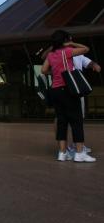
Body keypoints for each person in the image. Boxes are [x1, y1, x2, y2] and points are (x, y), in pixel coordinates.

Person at [41, 30, 96, 163]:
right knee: (76, 121)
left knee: (61, 121)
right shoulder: (66, 51)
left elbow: (43, 70)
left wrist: (55, 73)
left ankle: (62, 153)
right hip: (68, 90)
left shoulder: (51, 55)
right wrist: (71, 43)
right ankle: (79, 153)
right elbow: (85, 49)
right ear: (64, 40)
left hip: (55, 90)